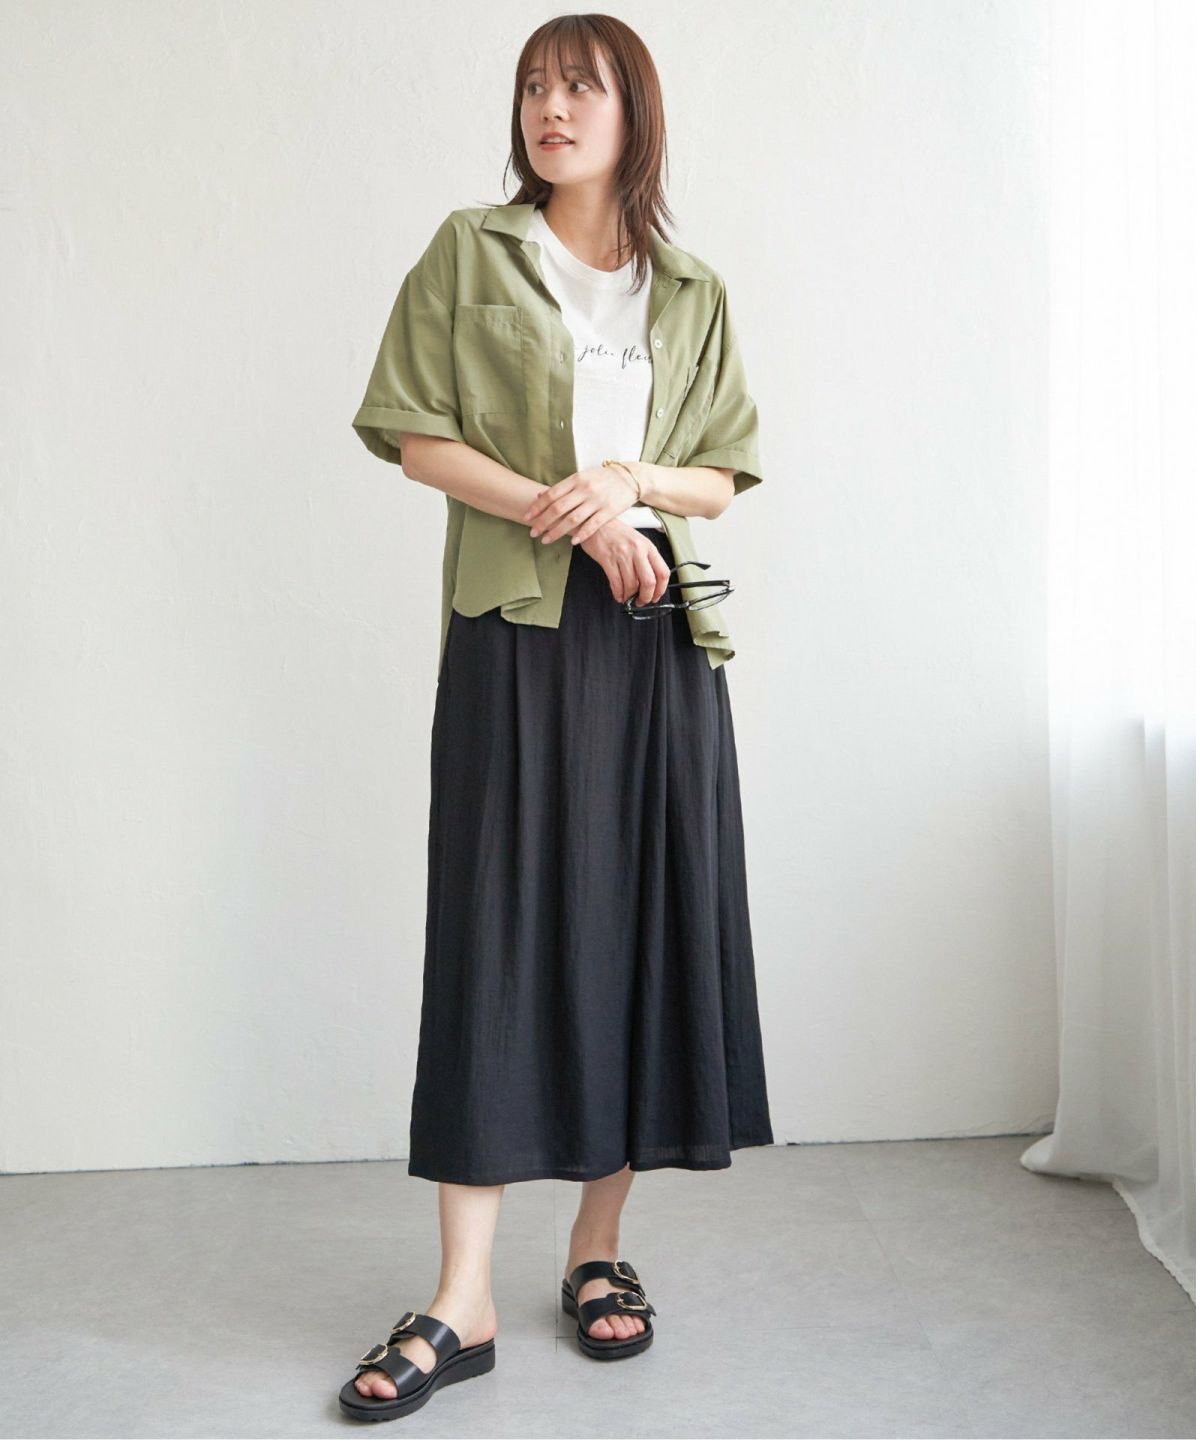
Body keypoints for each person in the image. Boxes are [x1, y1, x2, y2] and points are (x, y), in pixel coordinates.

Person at [339, 13, 774, 1423]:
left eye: (580, 86)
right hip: (514, 634)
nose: (551, 107)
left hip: (657, 642)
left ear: (633, 111)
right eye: (534, 85)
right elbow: (414, 435)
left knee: (633, 925)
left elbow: (722, 476)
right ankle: (461, 1296)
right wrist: (566, 509)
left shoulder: (691, 290)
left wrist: (630, 484)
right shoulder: (470, 252)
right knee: (494, 932)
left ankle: (597, 1246)